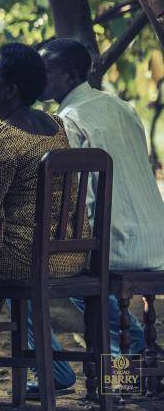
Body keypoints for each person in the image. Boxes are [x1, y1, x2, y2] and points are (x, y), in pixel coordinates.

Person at [40, 38, 164, 355]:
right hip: (156, 239)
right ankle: (136, 346)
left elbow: (83, 199)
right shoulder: (122, 107)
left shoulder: (68, 120)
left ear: (68, 76)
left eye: (46, 70)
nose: (39, 77)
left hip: (119, 246)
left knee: (60, 268)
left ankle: (131, 345)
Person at [0, 42, 89, 395]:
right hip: (71, 253)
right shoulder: (57, 126)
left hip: (26, 260)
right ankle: (54, 371)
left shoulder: (4, 138)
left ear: (10, 90)